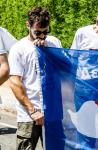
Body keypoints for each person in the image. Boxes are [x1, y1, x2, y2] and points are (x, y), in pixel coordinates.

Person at [8, 7, 62, 150]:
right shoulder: (18, 49)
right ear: (28, 25)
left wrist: (49, 52)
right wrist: (32, 110)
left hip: (52, 111)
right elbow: (14, 83)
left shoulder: (55, 43)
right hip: (29, 115)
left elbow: (64, 69)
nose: (42, 36)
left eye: (46, 32)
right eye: (38, 32)